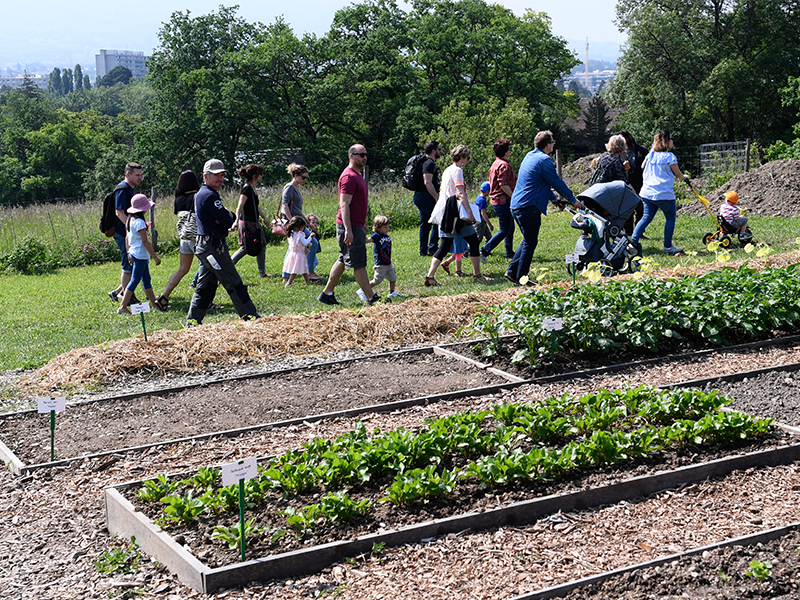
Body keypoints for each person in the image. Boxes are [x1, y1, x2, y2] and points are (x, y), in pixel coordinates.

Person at [187, 159, 260, 325]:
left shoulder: (202, 194)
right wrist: (226, 217)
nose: (220, 178)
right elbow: (228, 221)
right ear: (206, 176)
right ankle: (250, 317)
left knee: (205, 287)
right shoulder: (210, 196)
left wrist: (225, 217)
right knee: (233, 282)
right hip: (213, 247)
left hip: (206, 245)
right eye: (216, 175)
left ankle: (192, 322)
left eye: (222, 175)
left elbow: (225, 218)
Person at [506, 131, 584, 285]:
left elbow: (539, 182)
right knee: (530, 242)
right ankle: (521, 279)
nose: (553, 145)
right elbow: (556, 182)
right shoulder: (544, 160)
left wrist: (554, 199)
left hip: (516, 205)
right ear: (548, 145)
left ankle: (512, 271)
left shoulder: (529, 156)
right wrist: (573, 200)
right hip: (529, 206)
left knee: (528, 239)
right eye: (552, 142)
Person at [318, 144, 378, 306]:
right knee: (358, 263)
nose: (364, 157)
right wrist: (349, 230)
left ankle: (326, 293)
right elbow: (344, 204)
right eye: (361, 154)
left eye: (366, 154)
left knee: (344, 259)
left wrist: (362, 224)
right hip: (348, 226)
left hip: (355, 225)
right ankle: (371, 298)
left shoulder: (357, 175)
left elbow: (357, 204)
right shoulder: (349, 177)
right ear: (352, 156)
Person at [424, 144, 490, 286]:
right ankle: (477, 275)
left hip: (447, 213)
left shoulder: (447, 170)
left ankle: (430, 276)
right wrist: (470, 212)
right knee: (473, 241)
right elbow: (460, 193)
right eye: (467, 158)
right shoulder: (458, 171)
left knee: (444, 246)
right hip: (456, 213)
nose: (467, 161)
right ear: (462, 157)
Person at [631, 130, 689, 256]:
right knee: (670, 218)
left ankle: (633, 241)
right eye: (671, 139)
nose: (673, 140)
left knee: (646, 217)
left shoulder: (650, 155)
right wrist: (684, 177)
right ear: (667, 142)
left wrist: (654, 148)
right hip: (664, 193)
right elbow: (677, 174)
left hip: (647, 193)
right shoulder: (670, 157)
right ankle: (667, 246)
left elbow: (642, 167)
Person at [155, 171, 201, 311]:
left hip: (184, 238)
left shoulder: (178, 199)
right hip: (197, 238)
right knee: (206, 269)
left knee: (182, 269)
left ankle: (164, 297)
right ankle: (203, 301)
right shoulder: (197, 197)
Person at [117, 194, 163, 315]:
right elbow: (145, 241)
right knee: (134, 280)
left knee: (146, 279)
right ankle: (122, 307)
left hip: (133, 253)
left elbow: (127, 238)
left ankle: (154, 304)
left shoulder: (129, 220)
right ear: (143, 209)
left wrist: (128, 253)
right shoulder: (140, 223)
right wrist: (155, 257)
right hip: (140, 256)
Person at [108, 162, 143, 303]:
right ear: (128, 175)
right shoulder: (123, 190)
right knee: (128, 265)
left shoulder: (130, 188)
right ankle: (127, 298)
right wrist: (131, 228)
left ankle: (117, 292)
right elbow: (119, 213)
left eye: (141, 175)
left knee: (133, 264)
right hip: (123, 233)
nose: (140, 177)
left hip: (126, 232)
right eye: (137, 175)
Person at [282, 163, 322, 281]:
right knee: (312, 243)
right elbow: (285, 205)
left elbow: (298, 211)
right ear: (295, 175)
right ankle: (310, 272)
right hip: (295, 224)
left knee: (293, 248)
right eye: (303, 177)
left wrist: (308, 223)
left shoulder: (295, 188)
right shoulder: (289, 187)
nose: (304, 179)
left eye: (306, 177)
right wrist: (291, 223)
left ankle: (286, 275)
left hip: (299, 222)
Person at [480, 138, 516, 262]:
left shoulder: (495, 163)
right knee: (504, 230)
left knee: (510, 227)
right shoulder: (504, 166)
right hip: (503, 201)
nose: (510, 151)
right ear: (505, 151)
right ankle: (484, 250)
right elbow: (504, 185)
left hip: (496, 200)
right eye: (509, 149)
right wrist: (513, 196)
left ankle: (509, 252)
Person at [230, 164, 268, 277]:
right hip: (247, 223)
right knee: (246, 248)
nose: (262, 176)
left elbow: (255, 206)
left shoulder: (252, 188)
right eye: (261, 174)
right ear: (255, 175)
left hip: (254, 222)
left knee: (261, 245)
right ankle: (228, 267)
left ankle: (262, 272)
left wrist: (264, 218)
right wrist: (236, 220)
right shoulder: (246, 189)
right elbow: (240, 206)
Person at [358, 215, 404, 302]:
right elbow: (367, 241)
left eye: (388, 227)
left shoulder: (386, 235)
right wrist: (363, 232)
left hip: (387, 262)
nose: (387, 229)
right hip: (380, 263)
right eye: (385, 227)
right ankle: (363, 290)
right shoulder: (376, 235)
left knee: (392, 277)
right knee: (377, 280)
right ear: (377, 227)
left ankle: (391, 292)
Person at [412, 141, 444, 256]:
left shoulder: (423, 162)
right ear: (433, 151)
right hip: (426, 196)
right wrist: (436, 196)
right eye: (439, 149)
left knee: (425, 224)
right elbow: (427, 182)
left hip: (419, 196)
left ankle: (423, 251)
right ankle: (432, 248)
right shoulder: (429, 163)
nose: (440, 152)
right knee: (438, 220)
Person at [619, 131, 648, 235]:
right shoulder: (619, 152)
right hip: (625, 183)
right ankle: (628, 232)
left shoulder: (641, 150)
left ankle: (640, 231)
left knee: (641, 207)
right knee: (628, 209)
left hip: (640, 182)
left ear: (627, 139)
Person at [283, 216, 314, 287]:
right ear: (299, 227)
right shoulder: (300, 234)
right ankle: (289, 283)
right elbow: (305, 243)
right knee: (295, 270)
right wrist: (310, 237)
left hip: (293, 254)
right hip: (299, 255)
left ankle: (307, 282)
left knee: (304, 268)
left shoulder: (290, 234)